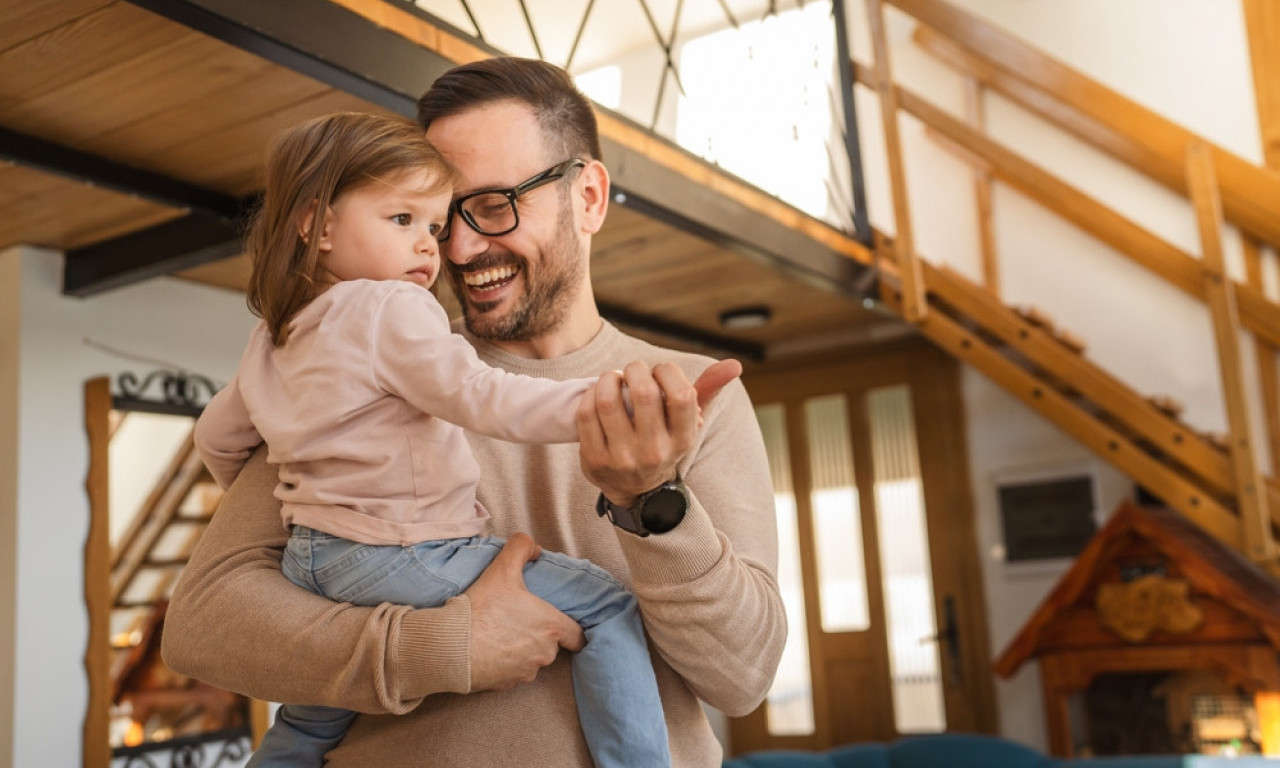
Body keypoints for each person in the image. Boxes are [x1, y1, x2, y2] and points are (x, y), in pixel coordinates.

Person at [164, 57, 786, 768]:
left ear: (588, 196)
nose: (456, 247)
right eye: (438, 215)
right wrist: (448, 645)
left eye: (492, 205)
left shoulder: (692, 397)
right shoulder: (365, 371)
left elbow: (741, 679)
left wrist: (652, 499)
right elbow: (203, 626)